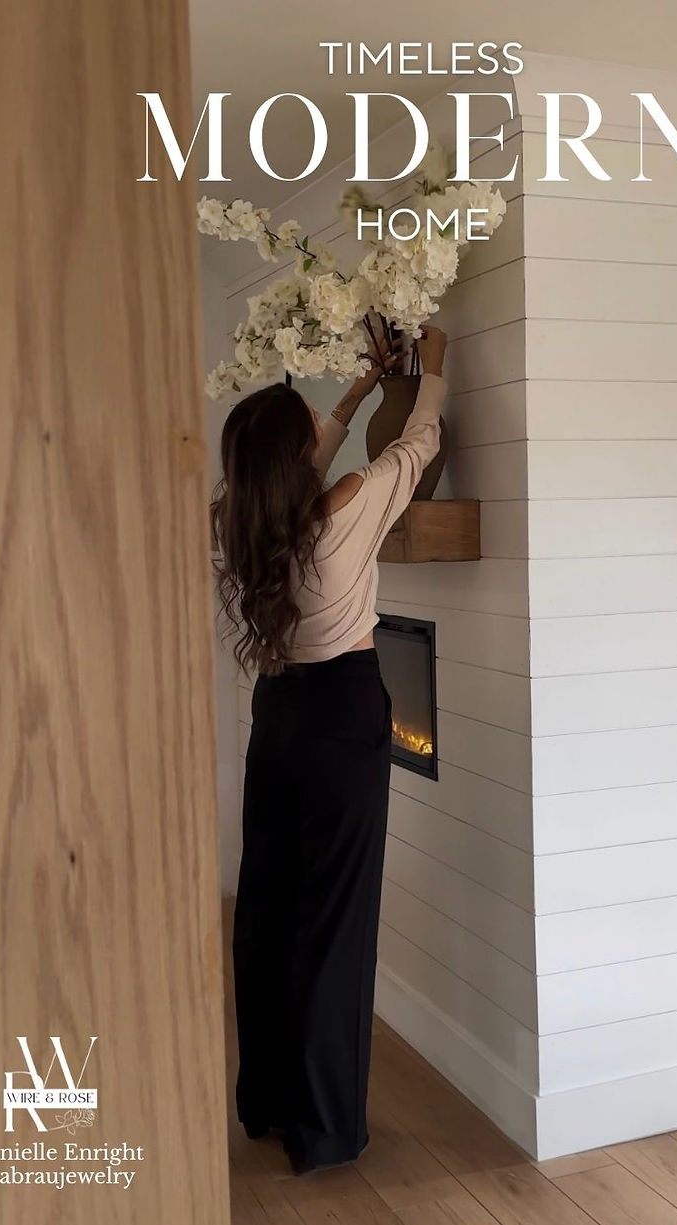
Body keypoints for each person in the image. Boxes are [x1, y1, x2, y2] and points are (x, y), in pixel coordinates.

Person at [210, 324, 449, 1176]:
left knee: (268, 914)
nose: (324, 418)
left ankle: (268, 1102)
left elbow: (305, 460)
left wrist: (353, 393)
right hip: (343, 714)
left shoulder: (243, 520)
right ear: (299, 455)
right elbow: (419, 444)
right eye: (311, 415)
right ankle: (326, 1128)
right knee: (334, 923)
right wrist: (437, 361)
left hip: (277, 719)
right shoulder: (347, 503)